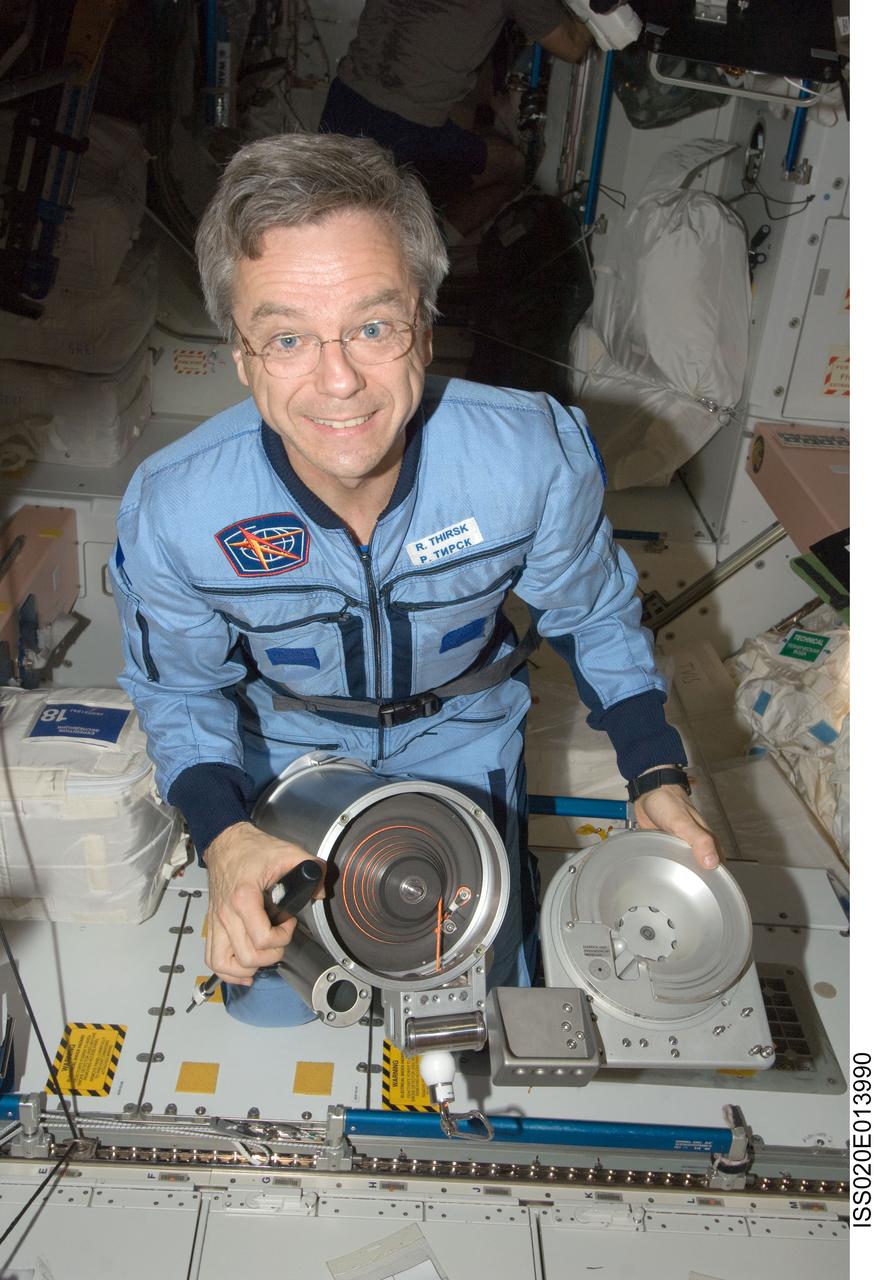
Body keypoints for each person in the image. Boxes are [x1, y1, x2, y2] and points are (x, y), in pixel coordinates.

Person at [109, 132, 719, 1027]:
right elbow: (180, 689)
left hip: (461, 736)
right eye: (287, 338)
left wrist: (653, 770)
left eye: (372, 327)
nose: (339, 382)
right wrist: (225, 836)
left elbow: (592, 614)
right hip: (289, 747)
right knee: (270, 1006)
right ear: (241, 355)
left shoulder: (531, 456)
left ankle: (507, 871)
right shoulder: (176, 511)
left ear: (424, 330)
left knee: (480, 1000)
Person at [319, 0, 594, 236]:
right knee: (511, 166)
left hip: (346, 98)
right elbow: (573, 46)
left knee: (336, 211)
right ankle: (436, 250)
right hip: (408, 125)